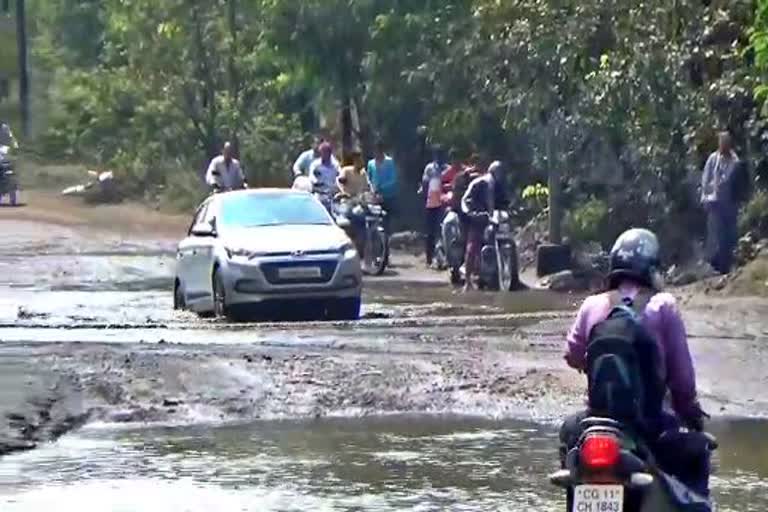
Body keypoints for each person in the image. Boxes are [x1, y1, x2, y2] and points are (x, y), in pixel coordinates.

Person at [559, 228, 710, 497]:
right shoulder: (663, 305)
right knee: (698, 454)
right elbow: (682, 381)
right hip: (650, 427)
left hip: (597, 423)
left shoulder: (592, 304)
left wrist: (591, 363)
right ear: (652, 268)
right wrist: (691, 414)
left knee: (569, 439)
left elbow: (572, 354)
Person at [460, 160, 507, 290]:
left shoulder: (499, 186)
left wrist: (513, 210)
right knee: (473, 245)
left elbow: (505, 202)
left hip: (493, 219)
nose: (500, 175)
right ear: (492, 171)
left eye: (501, 172)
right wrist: (473, 213)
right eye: (498, 172)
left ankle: (498, 270)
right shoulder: (480, 183)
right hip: (479, 219)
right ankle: (468, 280)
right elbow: (465, 200)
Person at [701, 131, 740, 274]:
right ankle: (715, 266)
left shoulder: (734, 161)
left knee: (729, 235)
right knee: (715, 235)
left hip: (729, 204)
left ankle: (728, 266)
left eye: (725, 143)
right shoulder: (713, 158)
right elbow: (705, 179)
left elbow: (728, 180)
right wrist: (705, 197)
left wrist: (717, 188)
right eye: (721, 143)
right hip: (714, 203)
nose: (723, 146)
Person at [421, 145, 447, 267]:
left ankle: (443, 257)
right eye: (437, 154)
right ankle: (429, 258)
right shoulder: (430, 168)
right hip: (431, 203)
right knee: (430, 232)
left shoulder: (448, 169)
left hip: (444, 203)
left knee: (442, 230)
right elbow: (425, 182)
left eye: (440, 154)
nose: (439, 157)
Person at [367, 140, 399, 231]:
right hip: (375, 197)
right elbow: (368, 178)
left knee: (387, 221)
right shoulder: (371, 163)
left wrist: (381, 187)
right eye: (375, 150)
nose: (376, 153)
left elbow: (393, 179)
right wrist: (372, 188)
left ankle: (387, 238)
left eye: (378, 150)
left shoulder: (389, 162)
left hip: (388, 196)